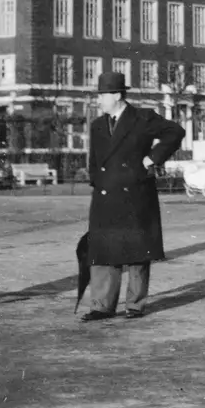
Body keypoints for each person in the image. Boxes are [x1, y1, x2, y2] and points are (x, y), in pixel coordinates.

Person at [81, 72, 186, 323]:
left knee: (137, 250)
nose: (99, 101)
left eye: (103, 95)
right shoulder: (97, 125)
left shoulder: (142, 118)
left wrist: (152, 158)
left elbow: (175, 132)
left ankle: (135, 304)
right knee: (103, 250)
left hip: (135, 193)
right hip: (105, 196)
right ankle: (102, 305)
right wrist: (98, 181)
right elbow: (95, 161)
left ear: (117, 95)